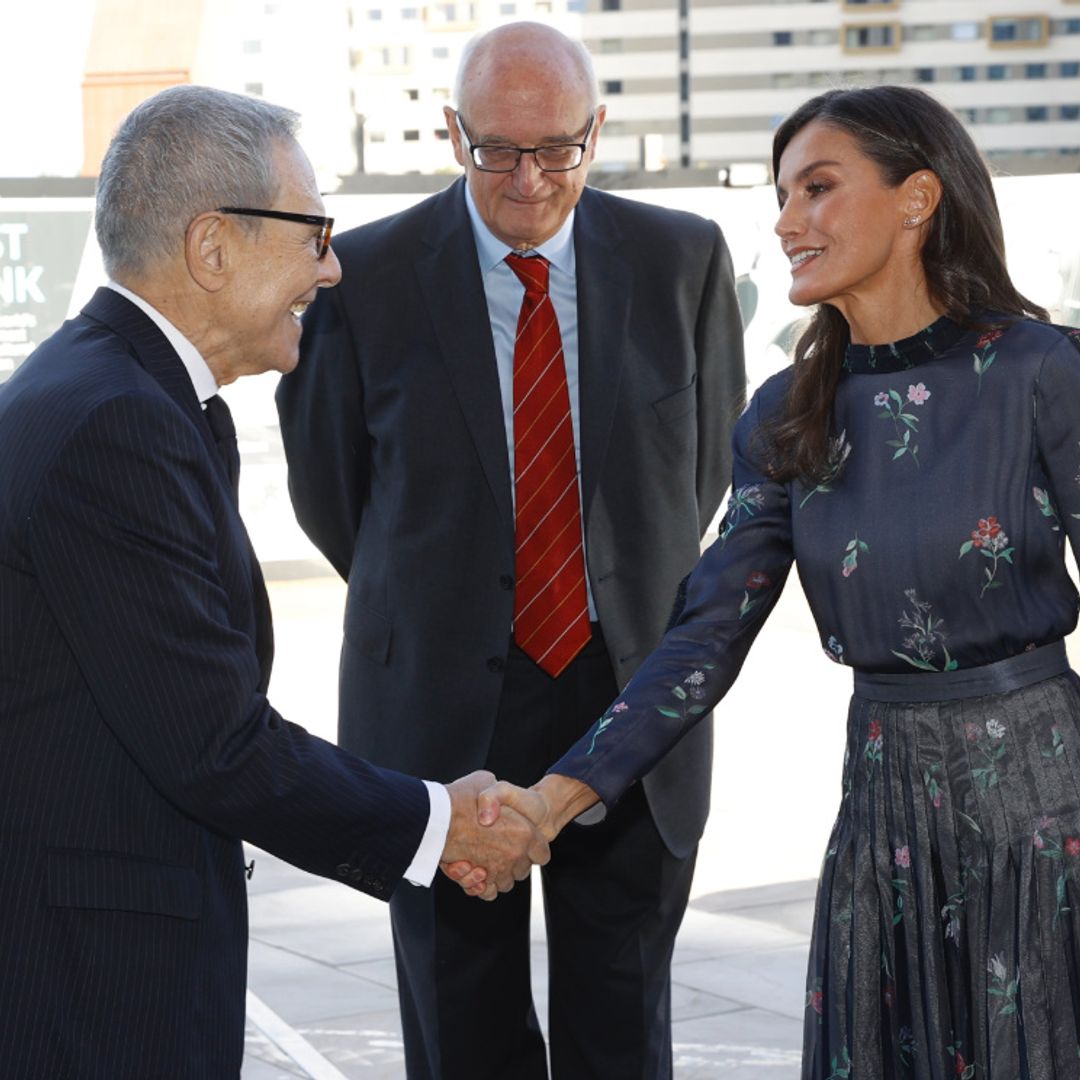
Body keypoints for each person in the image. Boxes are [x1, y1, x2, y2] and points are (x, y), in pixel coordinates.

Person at [474, 84, 1080, 1078]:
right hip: (884, 817)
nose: (787, 220)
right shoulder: (786, 418)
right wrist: (551, 800)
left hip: (1046, 814)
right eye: (782, 194)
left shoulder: (1040, 374)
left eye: (819, 189)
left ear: (918, 198)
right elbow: (704, 636)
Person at [0, 84, 548, 1080]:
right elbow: (214, 742)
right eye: (314, 234)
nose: (330, 270)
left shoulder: (128, 395)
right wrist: (437, 823)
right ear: (213, 247)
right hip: (92, 985)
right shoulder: (112, 423)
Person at [275, 20, 746, 1080]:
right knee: (461, 1030)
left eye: (558, 150)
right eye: (498, 150)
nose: (529, 179)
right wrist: (453, 599)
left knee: (623, 1030)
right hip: (439, 713)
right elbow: (331, 494)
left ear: (597, 133)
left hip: (629, 699)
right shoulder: (366, 276)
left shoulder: (683, 258)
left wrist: (598, 591)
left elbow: (706, 468)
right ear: (452, 135)